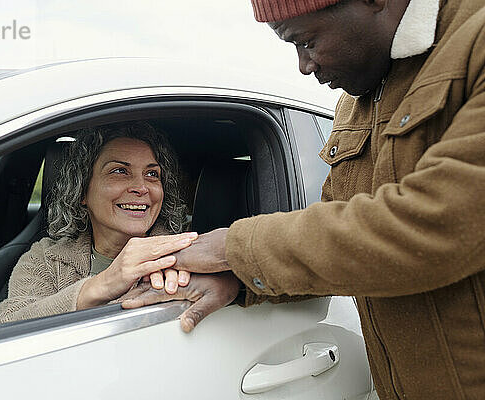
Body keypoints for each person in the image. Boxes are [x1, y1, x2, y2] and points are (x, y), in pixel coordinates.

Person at [121, 1, 485, 399]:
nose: (304, 66)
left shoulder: (475, 39)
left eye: (307, 41)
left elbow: (443, 224)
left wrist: (231, 247)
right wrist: (239, 281)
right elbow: (338, 239)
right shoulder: (358, 96)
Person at [0, 122, 197, 324]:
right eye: (119, 171)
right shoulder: (46, 258)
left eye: (152, 174)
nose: (141, 187)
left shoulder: (188, 255)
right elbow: (8, 326)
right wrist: (105, 284)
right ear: (82, 190)